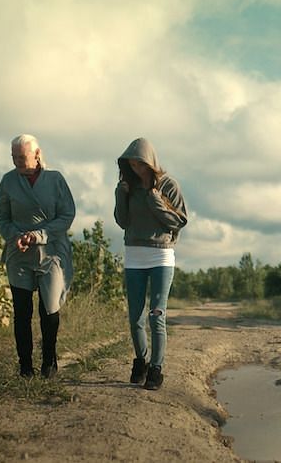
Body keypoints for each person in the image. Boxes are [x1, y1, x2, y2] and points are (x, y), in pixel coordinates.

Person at [0, 134, 76, 379]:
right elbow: (0, 217)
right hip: (19, 253)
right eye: (14, 157)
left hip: (51, 253)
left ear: (37, 154)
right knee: (22, 310)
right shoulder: (8, 181)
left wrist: (39, 235)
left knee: (49, 309)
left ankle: (49, 360)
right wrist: (14, 235)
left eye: (22, 156)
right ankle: (25, 365)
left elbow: (67, 216)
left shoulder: (55, 179)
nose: (17, 161)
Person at [115, 137, 187, 391]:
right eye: (133, 165)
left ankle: (156, 369)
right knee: (135, 316)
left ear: (151, 162)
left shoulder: (169, 185)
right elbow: (122, 221)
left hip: (161, 256)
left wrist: (155, 199)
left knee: (157, 314)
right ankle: (141, 361)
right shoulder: (128, 186)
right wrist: (120, 195)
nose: (137, 169)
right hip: (134, 255)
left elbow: (178, 222)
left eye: (141, 164)